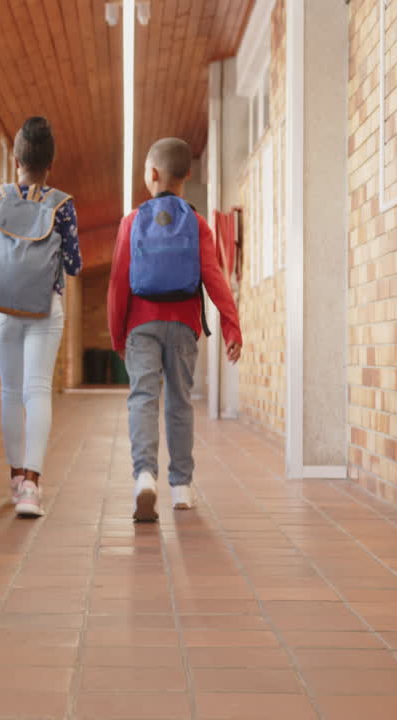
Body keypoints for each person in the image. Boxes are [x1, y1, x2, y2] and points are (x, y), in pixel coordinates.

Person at [107, 137, 242, 522]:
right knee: (180, 403)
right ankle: (181, 486)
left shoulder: (132, 222)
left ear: (151, 174)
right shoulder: (196, 222)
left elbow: (118, 283)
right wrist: (232, 327)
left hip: (140, 325)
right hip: (182, 325)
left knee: (143, 399)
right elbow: (214, 277)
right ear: (187, 176)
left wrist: (118, 334)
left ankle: (144, 476)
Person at [0, 117, 80, 517]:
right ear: (51, 163)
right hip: (44, 307)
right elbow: (73, 263)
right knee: (37, 390)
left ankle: (15, 477)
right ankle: (33, 487)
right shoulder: (62, 205)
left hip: (1, 306)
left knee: (10, 391)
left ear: (16, 158)